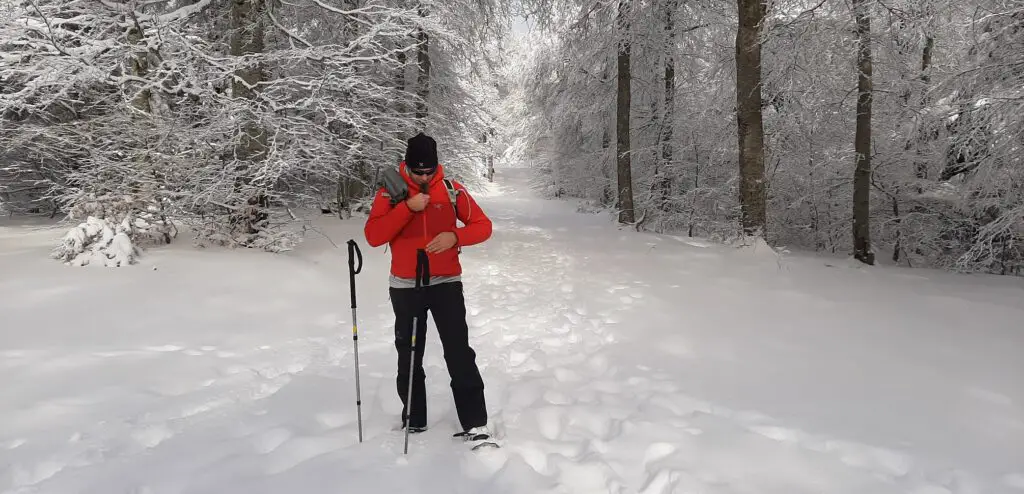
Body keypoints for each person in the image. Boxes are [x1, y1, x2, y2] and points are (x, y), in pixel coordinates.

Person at [363, 132, 494, 442]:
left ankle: (475, 422)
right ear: (407, 166)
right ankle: (414, 418)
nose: (424, 176)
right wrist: (408, 208)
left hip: (446, 283)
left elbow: (484, 226)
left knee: (459, 352)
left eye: (429, 171)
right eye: (418, 171)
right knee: (409, 353)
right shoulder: (388, 194)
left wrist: (455, 237)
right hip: (405, 285)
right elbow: (373, 236)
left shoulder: (452, 191)